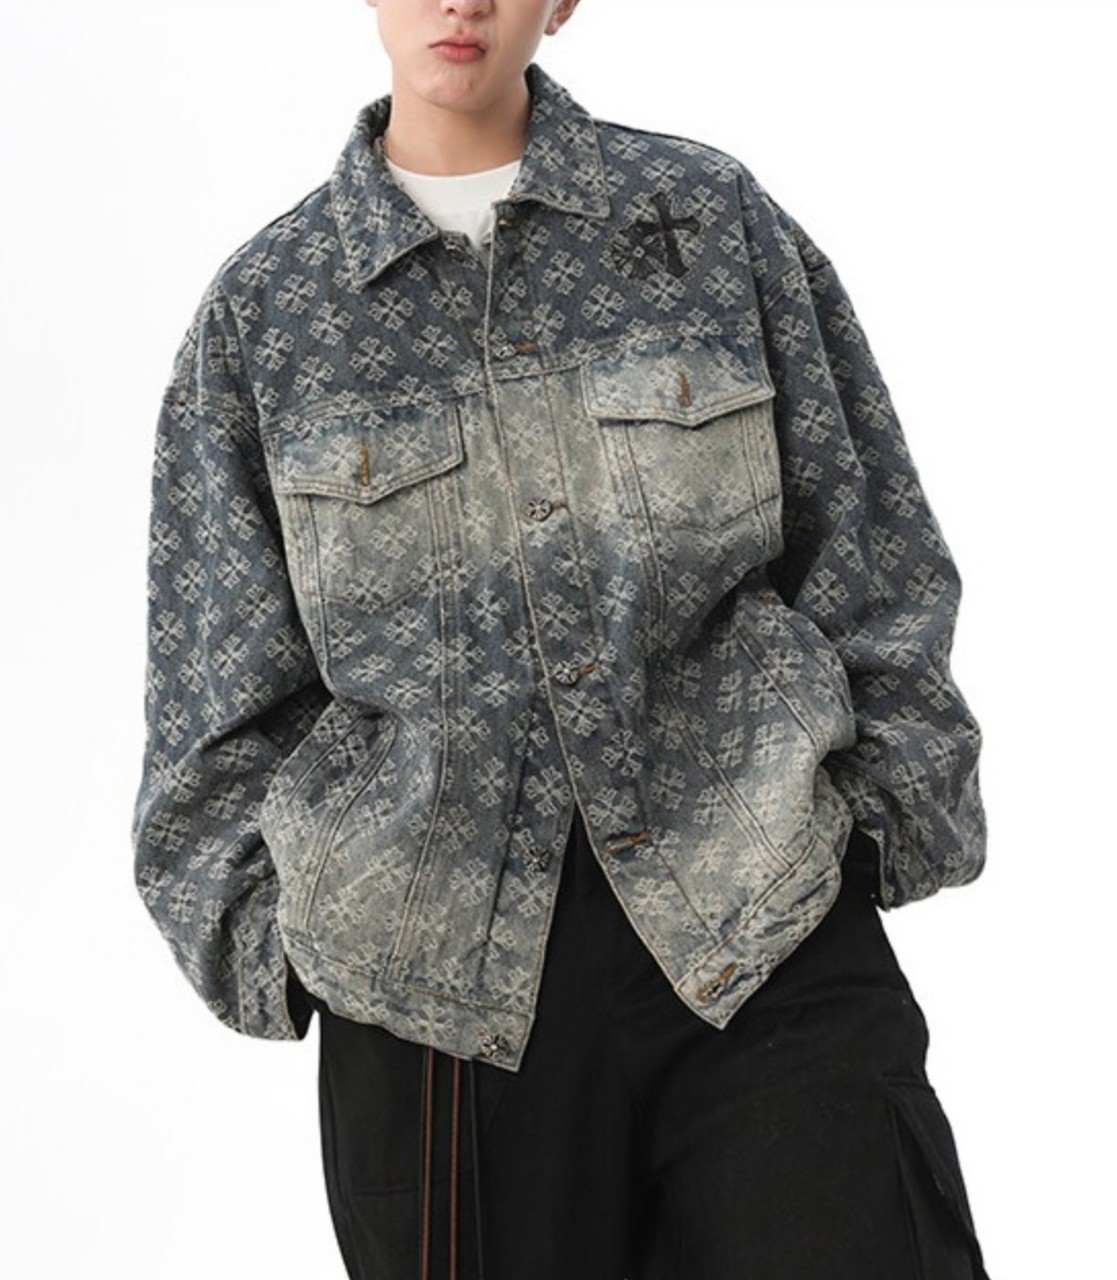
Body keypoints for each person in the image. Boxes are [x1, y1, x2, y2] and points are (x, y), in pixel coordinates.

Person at [132, 1, 992, 1276]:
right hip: (435, 1008)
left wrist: (874, 823)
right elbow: (209, 703)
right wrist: (301, 948)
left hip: (763, 925)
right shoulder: (267, 316)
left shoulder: (708, 221)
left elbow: (869, 542)